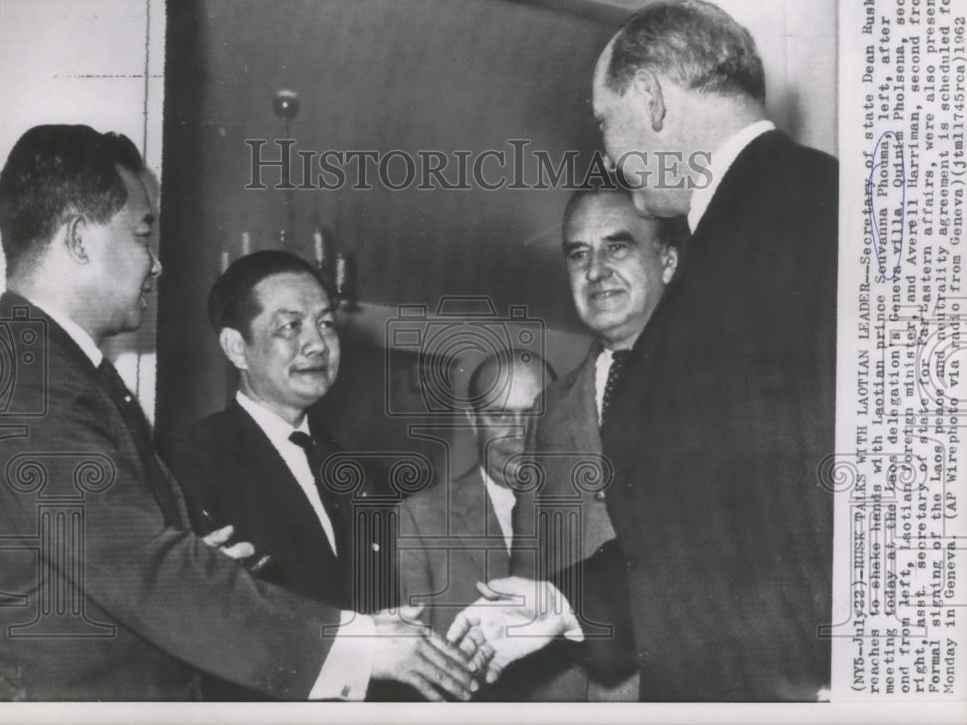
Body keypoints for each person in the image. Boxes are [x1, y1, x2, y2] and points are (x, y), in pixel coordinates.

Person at [0, 124, 482, 701]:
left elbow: (97, 569)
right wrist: (357, 644)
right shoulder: (28, 379)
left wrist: (195, 568)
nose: (156, 265)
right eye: (142, 234)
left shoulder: (43, 371)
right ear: (80, 240)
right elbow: (141, 569)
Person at [452, 0, 837, 702]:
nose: (606, 154)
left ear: (653, 99)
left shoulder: (811, 213)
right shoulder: (742, 231)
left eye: (605, 121)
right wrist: (565, 603)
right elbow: (718, 525)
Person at [160, 250, 396, 699]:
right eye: (290, 326)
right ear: (236, 347)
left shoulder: (355, 471)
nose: (317, 344)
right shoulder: (187, 461)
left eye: (326, 323)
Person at [509, 187, 689, 701]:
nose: (595, 271)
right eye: (578, 254)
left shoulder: (719, 387)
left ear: (668, 261)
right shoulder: (549, 409)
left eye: (617, 247)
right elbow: (529, 560)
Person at [398, 349, 563, 700]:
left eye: (535, 413)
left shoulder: (596, 512)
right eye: (500, 415)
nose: (519, 433)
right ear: (474, 421)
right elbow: (415, 668)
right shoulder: (419, 517)